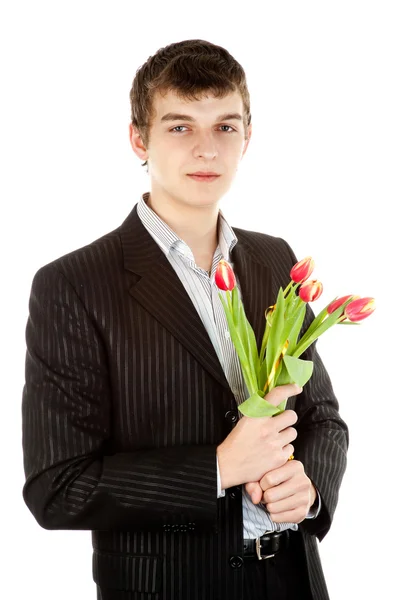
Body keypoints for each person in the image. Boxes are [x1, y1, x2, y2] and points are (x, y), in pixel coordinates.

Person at [21, 39, 348, 600]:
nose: (206, 150)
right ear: (138, 139)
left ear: (249, 137)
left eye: (225, 126)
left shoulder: (275, 261)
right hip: (168, 586)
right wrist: (217, 468)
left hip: (293, 580)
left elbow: (323, 419)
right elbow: (58, 488)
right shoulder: (72, 284)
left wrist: (309, 487)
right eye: (179, 127)